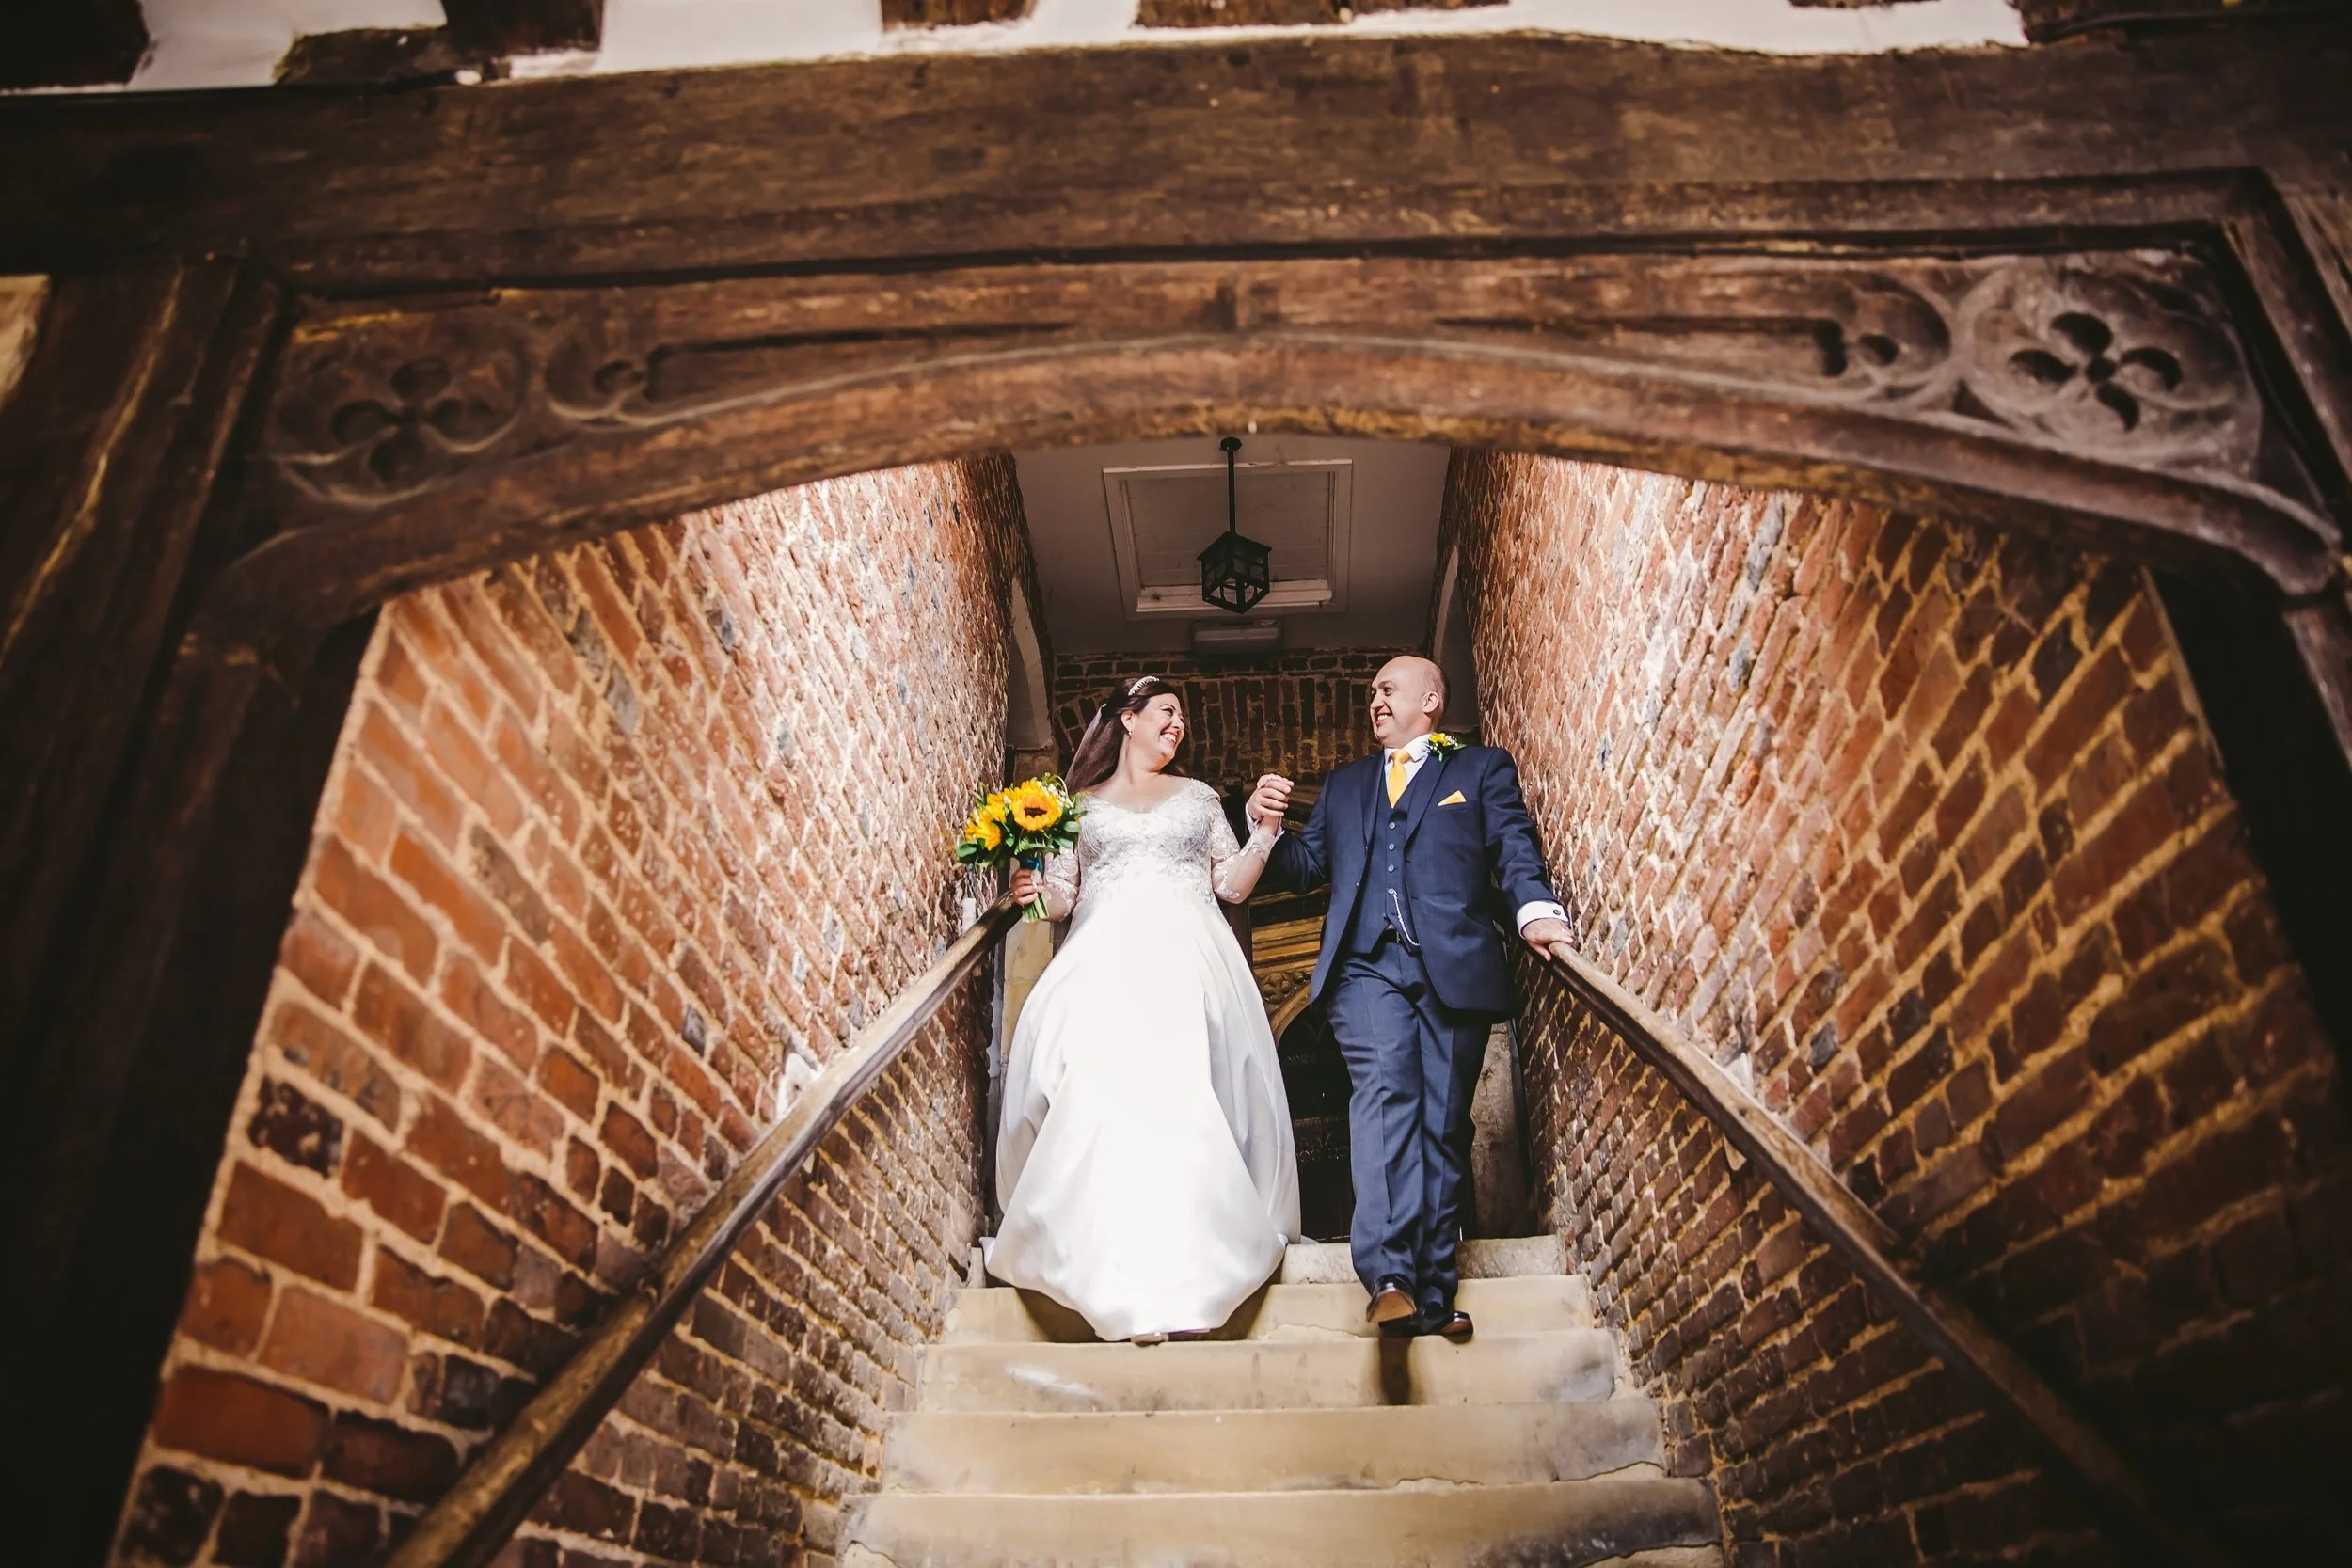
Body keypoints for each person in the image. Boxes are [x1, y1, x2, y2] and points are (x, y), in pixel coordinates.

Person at [1248, 656, 1568, 1341]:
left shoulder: (1480, 769)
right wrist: (1266, 827)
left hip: (1454, 967)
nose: (1375, 702)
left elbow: (1511, 846)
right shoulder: (1345, 786)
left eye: (1387, 690)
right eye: (1370, 694)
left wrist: (1534, 908)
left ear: (1431, 698)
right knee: (1385, 1096)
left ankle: (1431, 1291)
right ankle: (1388, 1273)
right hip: (1365, 969)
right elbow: (1307, 869)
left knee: (1443, 1125)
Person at [990, 675, 1301, 1343]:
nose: (1178, 724)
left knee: (1180, 1096)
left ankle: (1185, 1265)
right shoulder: (1079, 805)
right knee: (1100, 1096)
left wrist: (1266, 833)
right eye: (1166, 712)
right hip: (1102, 960)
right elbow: (1062, 898)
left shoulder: (1199, 799)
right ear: (1128, 719)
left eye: (1183, 717)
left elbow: (1230, 883)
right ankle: (1111, 1265)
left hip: (1186, 956)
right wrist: (1031, 888)